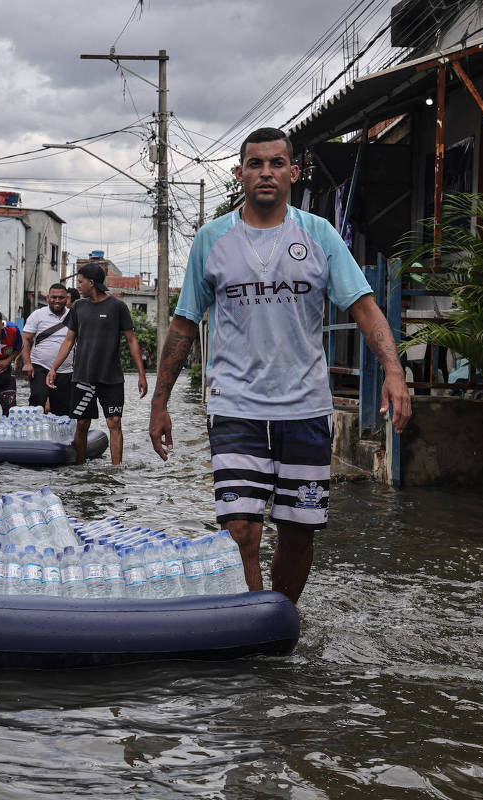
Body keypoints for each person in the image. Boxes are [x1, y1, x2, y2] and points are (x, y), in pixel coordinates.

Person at [148, 127, 412, 604]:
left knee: (297, 532)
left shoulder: (319, 234)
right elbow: (185, 323)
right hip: (235, 406)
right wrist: (159, 402)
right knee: (241, 531)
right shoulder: (212, 240)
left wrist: (394, 372)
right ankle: (253, 624)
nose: (265, 172)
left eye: (275, 163)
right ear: (240, 174)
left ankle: (281, 620)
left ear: (293, 172)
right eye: (255, 164)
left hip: (305, 409)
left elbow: (365, 308)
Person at [47, 263, 147, 465]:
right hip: (83, 376)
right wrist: (54, 368)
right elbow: (68, 341)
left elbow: (131, 340)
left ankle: (116, 469)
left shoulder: (118, 307)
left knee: (115, 422)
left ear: (92, 283)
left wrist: (142, 374)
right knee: (82, 423)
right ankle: (79, 467)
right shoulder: (78, 307)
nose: (77, 286)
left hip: (111, 377)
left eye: (80, 282)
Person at [21, 283, 74, 416]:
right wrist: (27, 363)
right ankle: (33, 430)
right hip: (40, 366)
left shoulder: (74, 315)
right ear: (47, 297)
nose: (57, 300)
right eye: (54, 297)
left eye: (61, 298)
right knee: (38, 397)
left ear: (66, 299)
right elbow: (25, 339)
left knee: (61, 409)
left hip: (65, 369)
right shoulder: (37, 315)